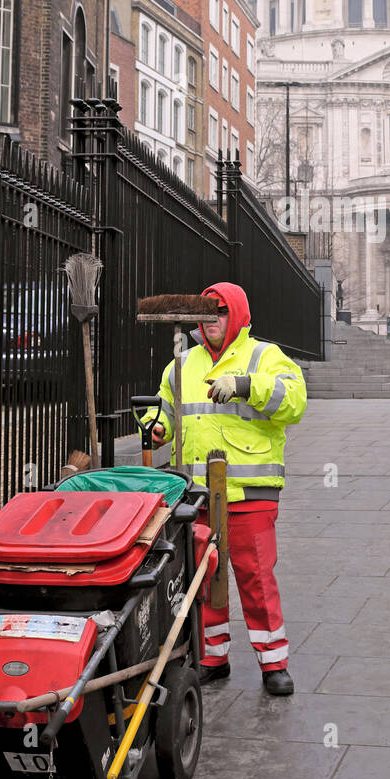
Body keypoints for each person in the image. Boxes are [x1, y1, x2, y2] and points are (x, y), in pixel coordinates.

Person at [141, 282, 306, 696]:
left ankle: (274, 663)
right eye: (206, 311)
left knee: (256, 578)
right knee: (203, 579)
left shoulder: (264, 356)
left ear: (238, 314)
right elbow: (165, 407)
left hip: (249, 491)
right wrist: (156, 425)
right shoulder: (182, 363)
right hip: (196, 494)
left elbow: (295, 401)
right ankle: (213, 658)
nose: (212, 319)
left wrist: (246, 384)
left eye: (221, 311)